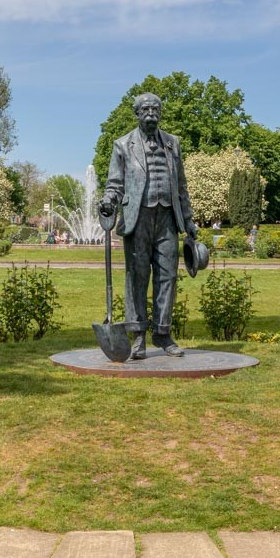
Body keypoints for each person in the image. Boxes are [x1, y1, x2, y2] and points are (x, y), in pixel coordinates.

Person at [99, 92, 200, 360]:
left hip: (168, 218)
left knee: (168, 276)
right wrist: (109, 201)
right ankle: (138, 336)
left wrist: (188, 220)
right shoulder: (122, 145)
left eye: (155, 108)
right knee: (137, 277)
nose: (151, 113)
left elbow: (181, 186)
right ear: (137, 113)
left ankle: (163, 334)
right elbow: (114, 184)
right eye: (145, 109)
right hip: (138, 217)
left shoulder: (172, 144)